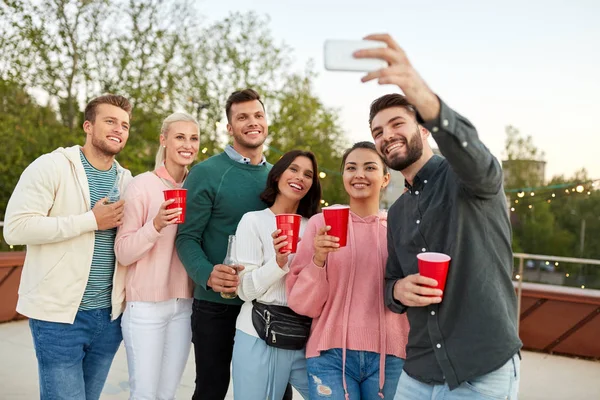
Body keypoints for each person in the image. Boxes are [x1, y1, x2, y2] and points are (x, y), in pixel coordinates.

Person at [355, 34, 522, 399]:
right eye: (378, 132)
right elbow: (391, 283)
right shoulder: (396, 212)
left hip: (481, 370)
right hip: (417, 373)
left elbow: (480, 160)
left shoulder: (467, 178)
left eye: (398, 123)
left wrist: (421, 94)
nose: (387, 136)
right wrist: (398, 290)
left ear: (424, 127)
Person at [3, 94, 133, 400]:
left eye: (124, 125)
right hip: (59, 318)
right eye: (110, 121)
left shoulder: (128, 181)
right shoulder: (51, 167)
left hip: (109, 318)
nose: (118, 129)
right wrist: (90, 220)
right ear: (88, 126)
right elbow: (16, 227)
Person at [287, 142, 410, 399]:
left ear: (386, 178)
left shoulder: (400, 229)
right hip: (329, 355)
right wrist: (318, 259)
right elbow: (302, 303)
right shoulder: (321, 225)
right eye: (351, 168)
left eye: (369, 167)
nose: (359, 174)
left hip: (391, 356)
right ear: (343, 176)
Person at [175, 89, 273, 400]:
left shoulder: (278, 177)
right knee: (211, 391)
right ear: (229, 127)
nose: (252, 122)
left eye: (258, 115)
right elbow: (186, 236)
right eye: (242, 117)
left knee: (273, 390)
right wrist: (206, 274)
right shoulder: (206, 173)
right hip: (216, 307)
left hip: (266, 304)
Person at [114, 112, 199, 399]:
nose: (187, 144)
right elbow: (123, 252)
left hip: (184, 306)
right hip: (146, 308)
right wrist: (156, 225)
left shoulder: (196, 188)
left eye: (193, 138)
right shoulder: (142, 185)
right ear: (163, 140)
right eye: (179, 136)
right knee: (145, 394)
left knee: (168, 393)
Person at [232, 150, 322, 399]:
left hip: (304, 336)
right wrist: (279, 262)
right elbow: (245, 290)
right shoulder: (253, 221)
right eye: (293, 169)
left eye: (308, 174)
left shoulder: (314, 226)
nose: (300, 177)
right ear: (277, 175)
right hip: (259, 333)